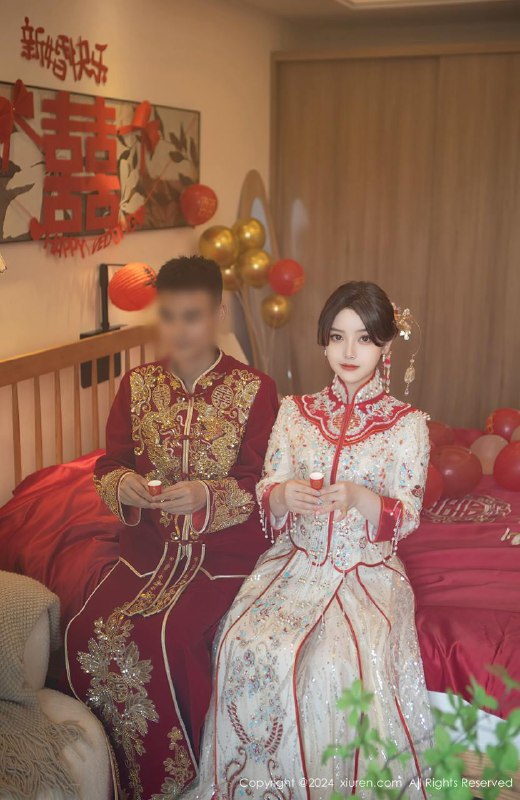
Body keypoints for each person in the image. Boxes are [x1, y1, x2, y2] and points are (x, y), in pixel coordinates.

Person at [187, 281, 433, 800]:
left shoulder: (407, 425)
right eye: (337, 337)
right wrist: (282, 496)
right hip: (294, 564)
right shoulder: (295, 412)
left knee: (330, 664)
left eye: (364, 339)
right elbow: (267, 486)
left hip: (364, 573)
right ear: (324, 342)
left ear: (385, 346)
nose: (349, 351)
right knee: (241, 640)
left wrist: (362, 498)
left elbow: (408, 513)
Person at [65, 256, 278, 800]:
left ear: (219, 314)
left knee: (175, 635)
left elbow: (260, 481)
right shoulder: (137, 385)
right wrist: (124, 487)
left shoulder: (255, 389)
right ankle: (114, 775)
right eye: (171, 316)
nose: (181, 330)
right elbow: (110, 464)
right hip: (149, 550)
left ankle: (187, 778)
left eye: (194, 316)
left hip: (222, 551)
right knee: (90, 629)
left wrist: (207, 495)